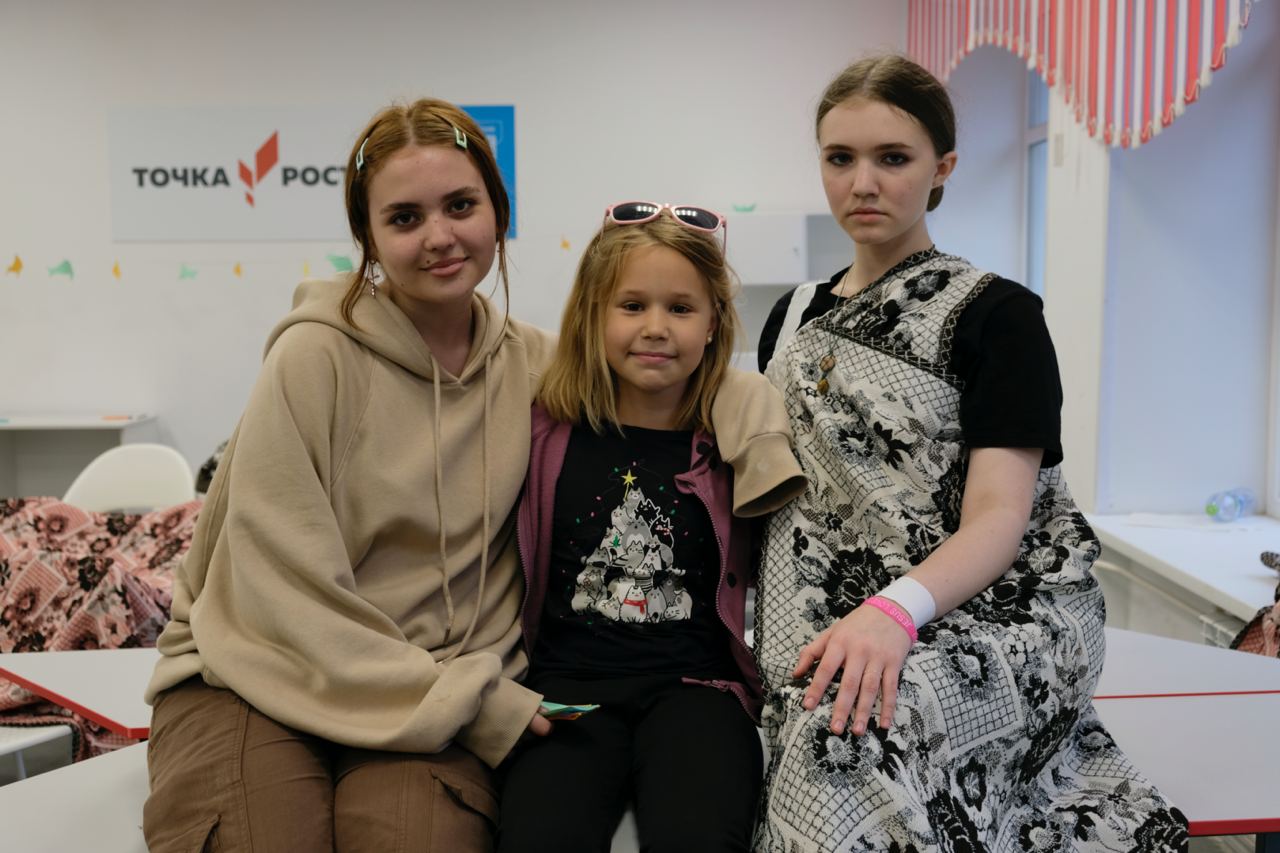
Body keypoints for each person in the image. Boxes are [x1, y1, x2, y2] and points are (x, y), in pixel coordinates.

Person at [752, 56, 1188, 852]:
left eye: (893, 157)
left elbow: (998, 516)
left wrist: (893, 612)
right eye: (840, 158)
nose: (863, 183)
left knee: (847, 736)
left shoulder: (997, 315)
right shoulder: (791, 316)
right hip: (822, 612)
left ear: (943, 167)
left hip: (995, 611)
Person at [141, 98, 557, 852]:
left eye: (460, 205)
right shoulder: (314, 357)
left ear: (499, 210)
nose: (439, 236)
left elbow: (673, 371)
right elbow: (281, 595)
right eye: (404, 218)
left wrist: (757, 416)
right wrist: (475, 703)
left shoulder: (535, 364)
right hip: (253, 671)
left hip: (437, 682)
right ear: (368, 238)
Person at [498, 203, 807, 853]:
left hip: (697, 691)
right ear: (594, 314)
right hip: (566, 692)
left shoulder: (731, 436)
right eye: (632, 306)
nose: (656, 328)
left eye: (681, 308)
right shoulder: (542, 427)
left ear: (713, 321)